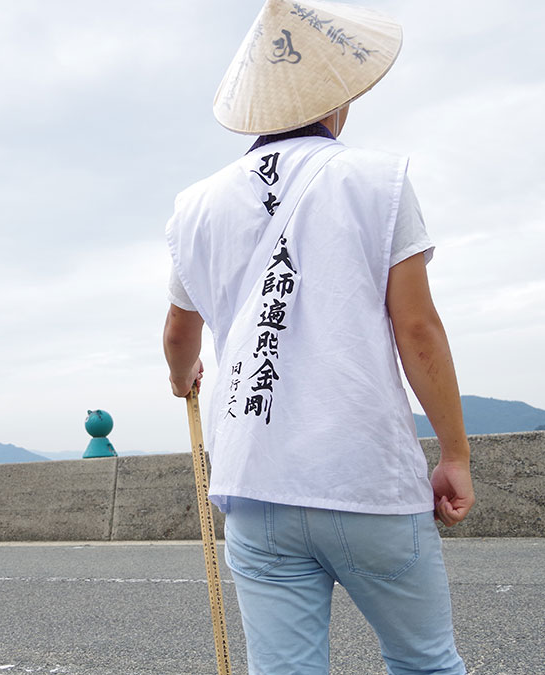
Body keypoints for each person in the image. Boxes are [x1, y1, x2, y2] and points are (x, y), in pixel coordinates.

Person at [162, 1, 474, 673]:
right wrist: (455, 454)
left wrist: (181, 376)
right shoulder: (376, 181)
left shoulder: (195, 208)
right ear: (336, 100)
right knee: (424, 660)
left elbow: (178, 333)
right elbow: (416, 328)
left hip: (256, 484)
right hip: (364, 479)